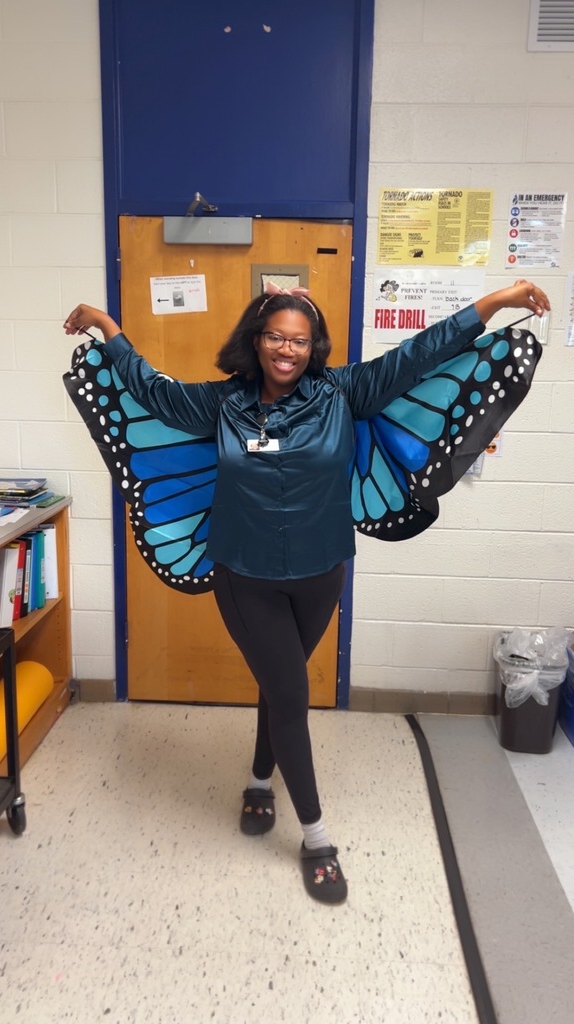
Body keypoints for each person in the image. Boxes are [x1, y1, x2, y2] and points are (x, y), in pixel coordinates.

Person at [63, 278, 550, 905]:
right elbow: (150, 389)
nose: (285, 350)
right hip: (246, 575)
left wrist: (498, 300)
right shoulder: (222, 404)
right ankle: (317, 837)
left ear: (313, 345)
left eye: (298, 340)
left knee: (280, 683)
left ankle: (261, 780)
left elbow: (422, 353)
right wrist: (109, 326)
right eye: (274, 337)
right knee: (293, 692)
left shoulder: (346, 392)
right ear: (256, 339)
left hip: (322, 572)